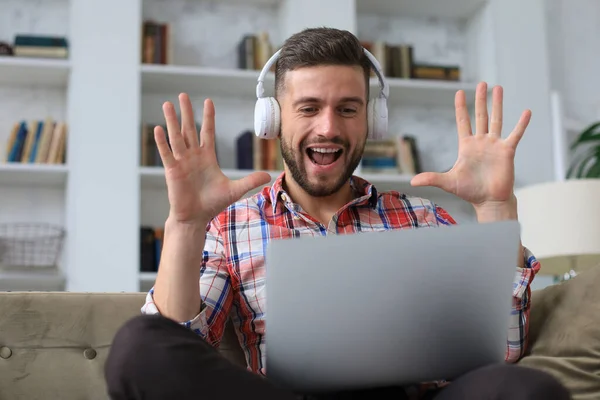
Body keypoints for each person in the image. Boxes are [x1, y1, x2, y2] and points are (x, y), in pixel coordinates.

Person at [104, 27, 571, 400]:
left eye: (348, 109)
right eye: (308, 108)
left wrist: (494, 207)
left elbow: (505, 353)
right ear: (275, 120)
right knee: (138, 348)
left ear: (371, 119)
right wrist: (186, 224)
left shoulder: (423, 218)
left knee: (529, 389)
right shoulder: (232, 227)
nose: (329, 127)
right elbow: (180, 343)